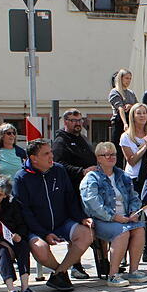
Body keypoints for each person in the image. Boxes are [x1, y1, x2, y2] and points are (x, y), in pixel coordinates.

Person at [12, 139, 95, 292]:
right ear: (33, 158)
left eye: (51, 152)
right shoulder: (21, 178)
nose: (52, 156)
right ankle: (61, 273)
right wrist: (44, 233)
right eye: (46, 154)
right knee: (40, 250)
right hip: (36, 228)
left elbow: (70, 198)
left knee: (86, 234)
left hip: (61, 223)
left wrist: (81, 218)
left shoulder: (59, 170)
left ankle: (59, 274)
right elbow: (25, 212)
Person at [81, 142, 147, 286]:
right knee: (122, 233)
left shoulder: (122, 175)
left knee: (139, 229)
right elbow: (93, 205)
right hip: (101, 220)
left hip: (125, 218)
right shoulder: (92, 178)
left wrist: (133, 212)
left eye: (113, 154)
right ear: (98, 158)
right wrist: (114, 217)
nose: (110, 157)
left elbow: (134, 197)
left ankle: (133, 271)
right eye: (106, 155)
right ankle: (113, 275)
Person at [52, 108, 98, 279]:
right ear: (65, 122)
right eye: (73, 120)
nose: (78, 124)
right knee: (78, 230)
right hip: (71, 193)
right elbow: (57, 164)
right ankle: (75, 266)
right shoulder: (60, 141)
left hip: (88, 191)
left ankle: (101, 264)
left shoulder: (82, 139)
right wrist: (81, 171)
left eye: (80, 120)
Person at [119, 103, 147, 262]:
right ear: (132, 116)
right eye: (138, 113)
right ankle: (125, 253)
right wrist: (146, 145)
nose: (142, 116)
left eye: (144, 113)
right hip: (133, 180)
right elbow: (132, 160)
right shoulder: (126, 136)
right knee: (132, 215)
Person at [109, 69, 139, 162]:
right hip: (119, 121)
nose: (128, 80)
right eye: (126, 78)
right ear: (120, 79)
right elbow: (120, 108)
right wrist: (125, 123)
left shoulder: (131, 93)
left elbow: (138, 105)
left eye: (130, 78)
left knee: (130, 147)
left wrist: (131, 106)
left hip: (131, 121)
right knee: (118, 149)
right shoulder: (115, 92)